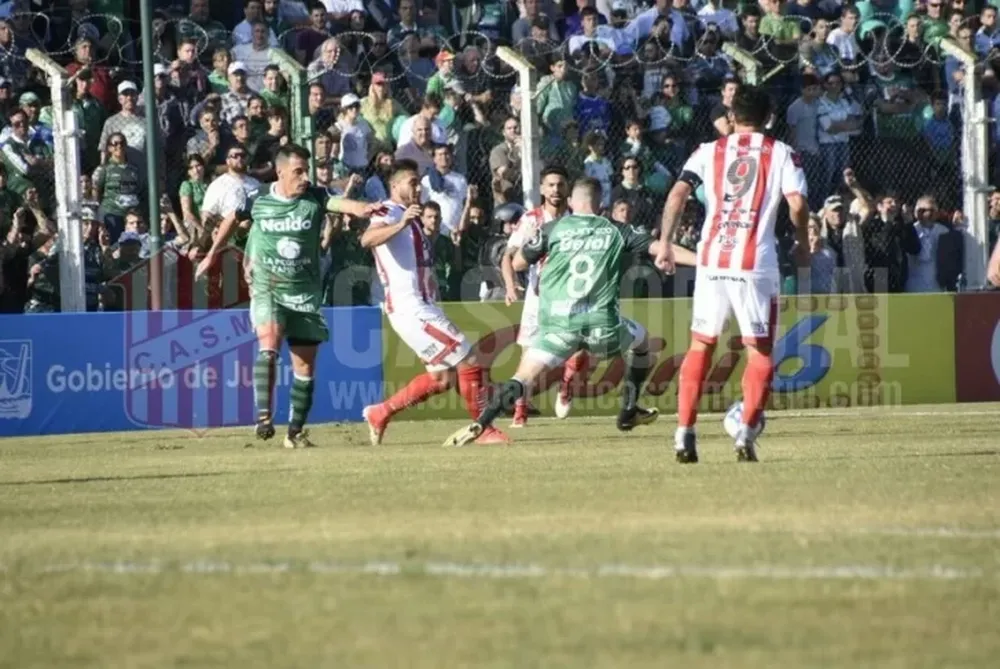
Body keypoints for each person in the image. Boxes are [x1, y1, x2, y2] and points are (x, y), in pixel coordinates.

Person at [444, 177, 698, 448]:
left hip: (558, 326)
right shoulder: (615, 229)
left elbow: (517, 263)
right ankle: (628, 410)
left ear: (572, 202)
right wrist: (703, 261)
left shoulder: (552, 229)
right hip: (603, 326)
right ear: (600, 204)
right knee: (643, 343)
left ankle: (482, 423)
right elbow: (661, 248)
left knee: (523, 377)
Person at [655, 86, 810, 464]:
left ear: (731, 115)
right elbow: (798, 203)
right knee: (759, 352)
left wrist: (665, 243)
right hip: (755, 262)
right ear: (769, 117)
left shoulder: (708, 151)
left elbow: (676, 195)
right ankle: (745, 431)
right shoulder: (782, 153)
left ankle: (683, 433)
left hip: (712, 261)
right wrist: (803, 241)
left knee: (700, 346)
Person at [195, 144, 386, 448]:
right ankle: (263, 418)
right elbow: (231, 219)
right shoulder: (257, 198)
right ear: (280, 171)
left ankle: (294, 432)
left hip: (305, 293)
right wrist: (211, 255)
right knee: (269, 345)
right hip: (268, 287)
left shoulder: (315, 196)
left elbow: (342, 203)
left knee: (305, 368)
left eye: (306, 170)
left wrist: (365, 208)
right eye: (298, 171)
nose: (304, 177)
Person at [360, 160, 508, 446]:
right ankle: (483, 430)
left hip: (423, 307)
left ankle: (381, 412)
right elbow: (367, 239)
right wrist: (401, 222)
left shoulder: (412, 216)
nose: (418, 187)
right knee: (469, 359)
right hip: (411, 308)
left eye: (419, 183)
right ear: (395, 186)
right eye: (412, 182)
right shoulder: (389, 211)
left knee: (442, 379)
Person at [501, 166, 591, 428]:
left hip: (572, 295)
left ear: (568, 189)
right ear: (542, 189)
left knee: (580, 348)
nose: (555, 190)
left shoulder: (579, 219)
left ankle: (566, 385)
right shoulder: (531, 220)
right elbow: (508, 256)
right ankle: (520, 411)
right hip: (538, 298)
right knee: (528, 355)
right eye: (550, 185)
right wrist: (509, 285)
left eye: (560, 185)